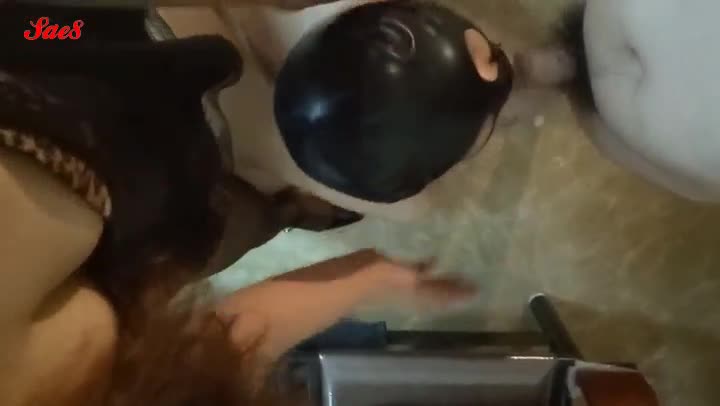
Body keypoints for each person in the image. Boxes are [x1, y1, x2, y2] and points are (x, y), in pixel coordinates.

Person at [0, 1, 477, 405]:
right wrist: (370, 275)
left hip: (74, 45)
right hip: (164, 164)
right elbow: (203, 352)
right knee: (409, 195)